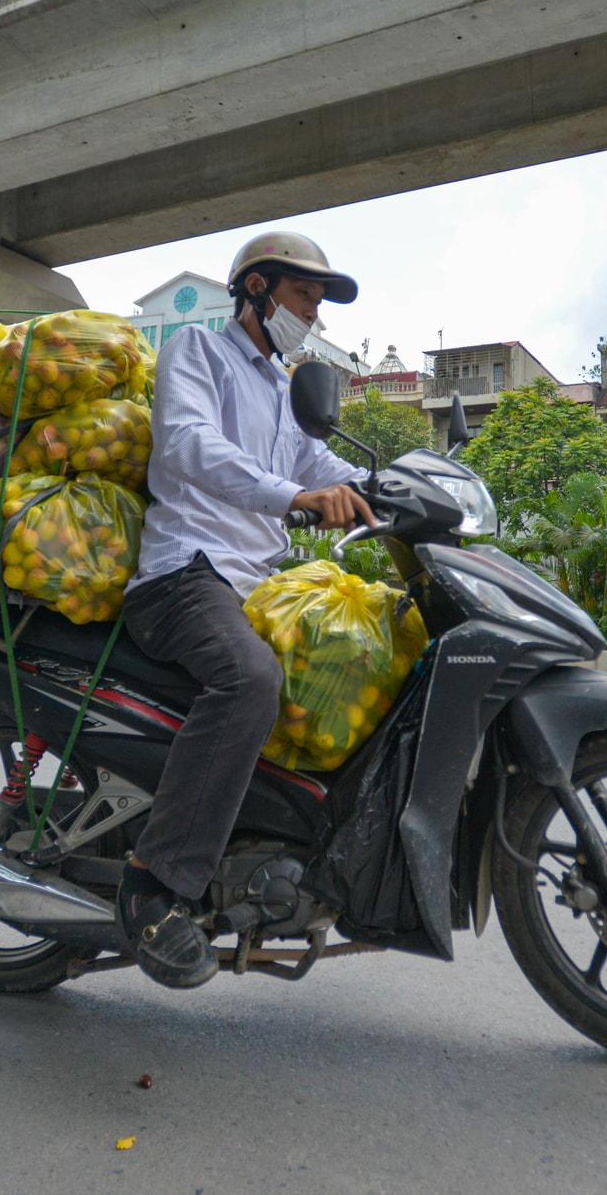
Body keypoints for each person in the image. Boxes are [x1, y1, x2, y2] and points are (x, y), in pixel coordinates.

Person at [113, 230, 375, 988]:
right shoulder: (199, 351)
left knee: (341, 664)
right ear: (257, 289)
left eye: (319, 302)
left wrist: (391, 487)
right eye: (304, 296)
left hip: (251, 580)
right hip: (186, 573)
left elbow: (316, 462)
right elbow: (190, 442)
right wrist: (292, 498)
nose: (313, 314)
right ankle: (155, 886)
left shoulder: (279, 385)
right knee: (249, 679)